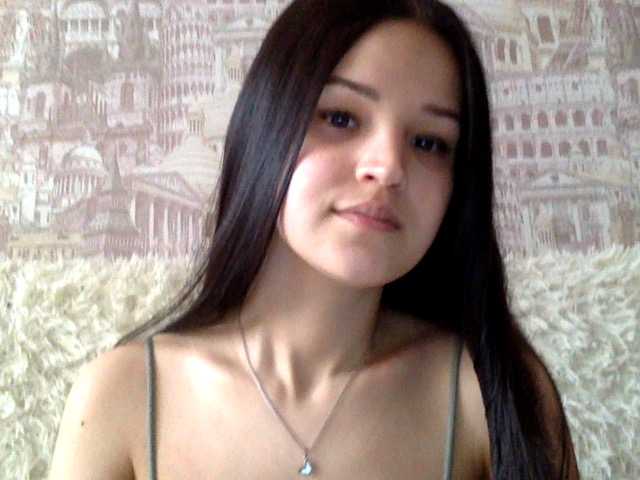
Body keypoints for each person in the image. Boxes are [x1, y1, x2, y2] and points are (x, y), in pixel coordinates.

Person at [48, 0, 580, 478]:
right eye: (341, 118)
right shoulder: (125, 396)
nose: (388, 168)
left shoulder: (492, 393)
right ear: (266, 129)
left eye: (429, 142)